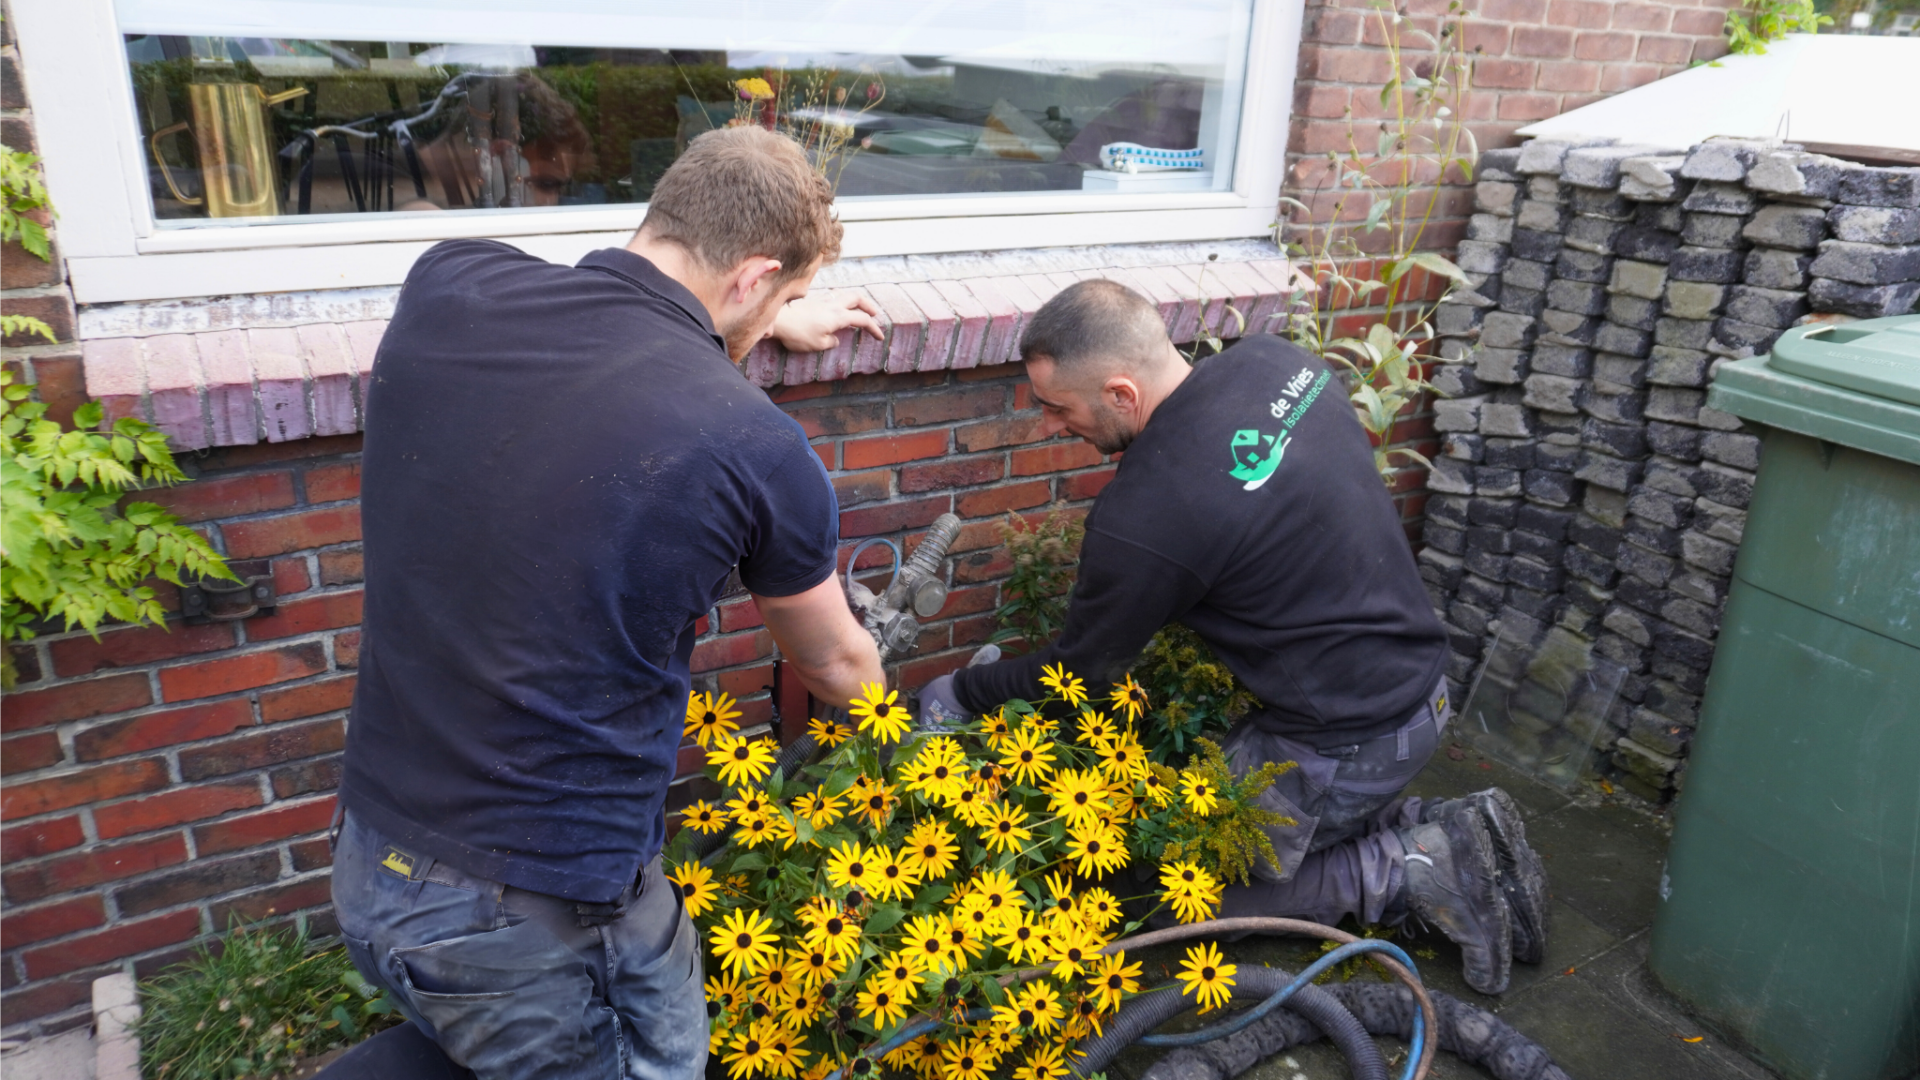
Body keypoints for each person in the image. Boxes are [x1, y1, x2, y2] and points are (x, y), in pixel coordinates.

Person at [332, 126, 888, 1080]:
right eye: (785, 294)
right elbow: (835, 665)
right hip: (532, 914)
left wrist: (754, 321)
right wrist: (887, 721)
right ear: (752, 276)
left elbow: (620, 329)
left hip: (373, 849)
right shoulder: (757, 449)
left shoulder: (449, 284)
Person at [915, 280, 1548, 995]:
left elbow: (1082, 673)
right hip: (1418, 684)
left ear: (1122, 394)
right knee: (1198, 817)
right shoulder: (1280, 366)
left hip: (1350, 738)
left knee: (1165, 897)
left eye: (1059, 408)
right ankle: (1432, 826)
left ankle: (1416, 868)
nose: (1055, 425)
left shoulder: (1146, 513)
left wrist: (963, 690)